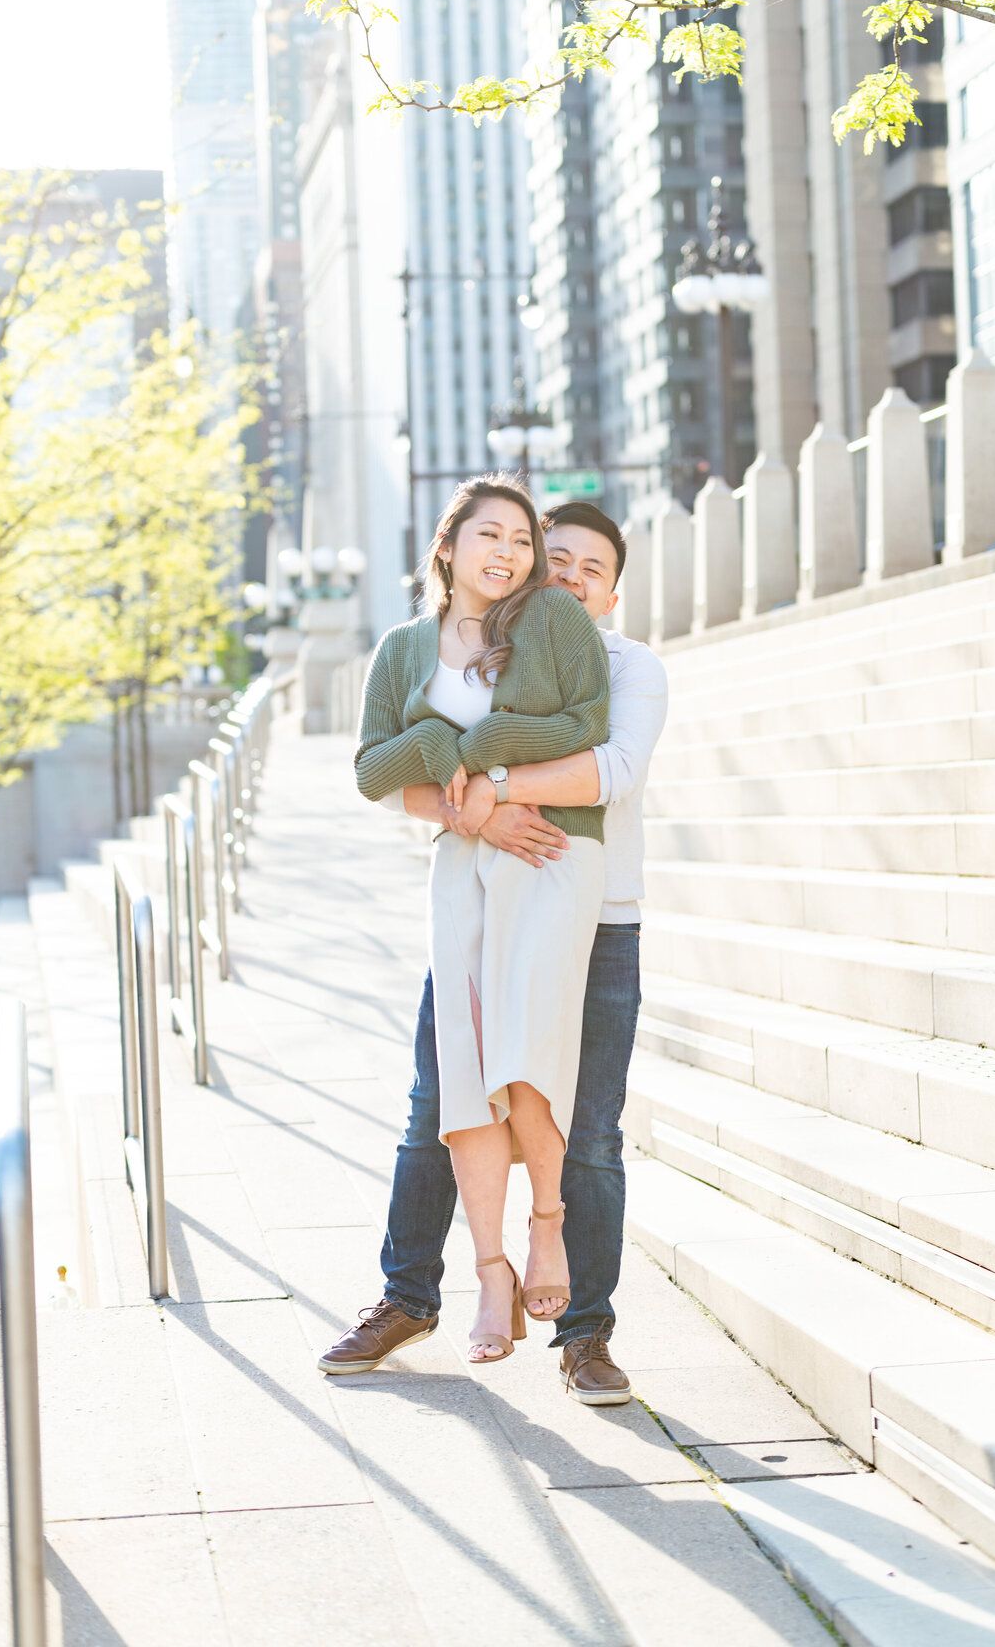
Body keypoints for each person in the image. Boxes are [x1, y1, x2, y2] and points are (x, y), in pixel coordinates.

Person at [320, 502, 669, 1403]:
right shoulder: (480, 650)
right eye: (556, 557)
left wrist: (490, 790)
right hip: (478, 906)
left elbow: (607, 770)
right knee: (436, 1102)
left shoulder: (632, 666)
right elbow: (401, 780)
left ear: (614, 588)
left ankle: (585, 1333)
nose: (570, 573)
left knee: (588, 1129)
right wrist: (464, 798)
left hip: (601, 918)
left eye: (593, 566)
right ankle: (409, 1297)